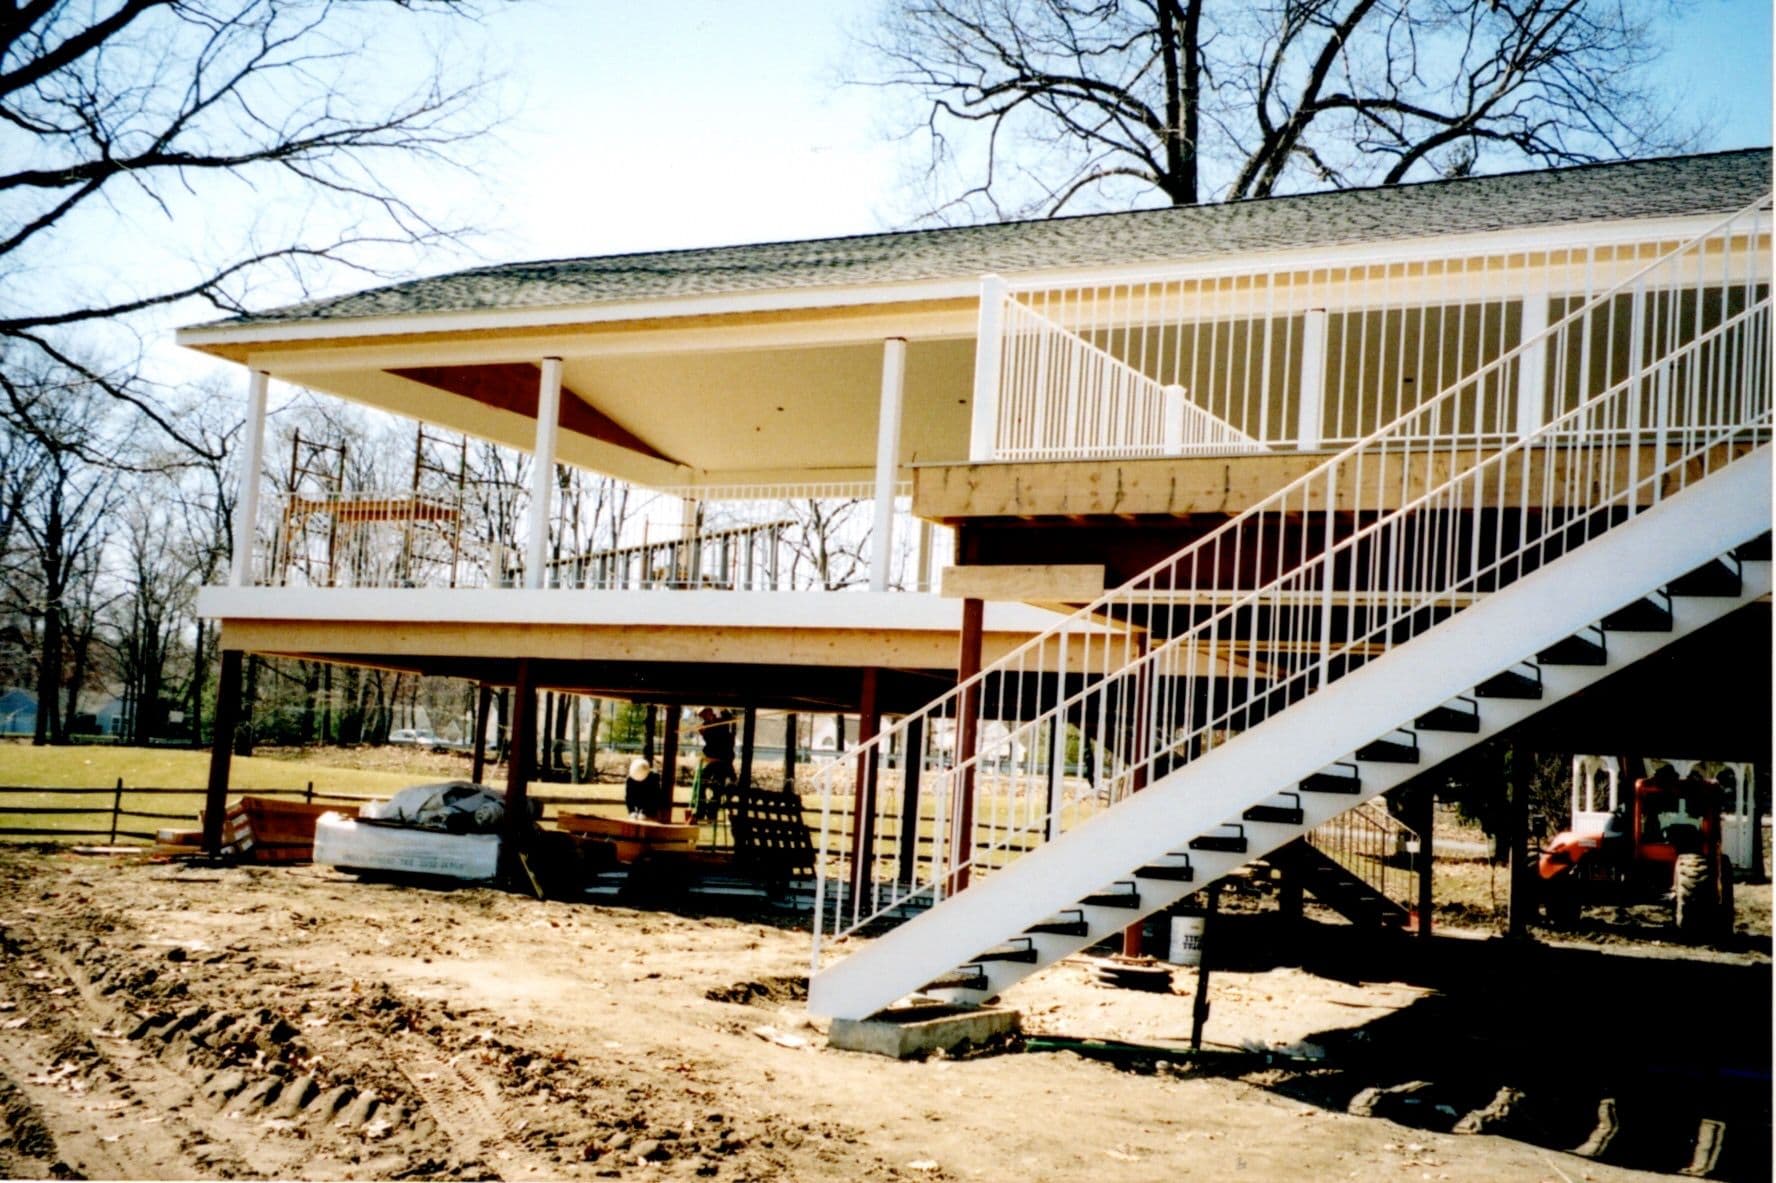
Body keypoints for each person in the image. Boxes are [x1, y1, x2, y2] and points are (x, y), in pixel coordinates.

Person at [695, 708, 737, 821]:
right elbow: (710, 741)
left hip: (723, 761)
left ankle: (711, 812)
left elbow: (728, 715)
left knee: (717, 787)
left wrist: (722, 709)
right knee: (702, 783)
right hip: (713, 761)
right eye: (702, 716)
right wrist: (703, 732)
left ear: (710, 712)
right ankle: (701, 811)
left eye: (704, 714)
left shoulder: (721, 722)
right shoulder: (705, 726)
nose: (703, 717)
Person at [625, 756, 662, 820]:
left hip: (652, 808)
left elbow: (655, 798)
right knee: (634, 819)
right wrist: (632, 812)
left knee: (645, 819)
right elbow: (629, 797)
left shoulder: (654, 779)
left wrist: (645, 811)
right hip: (638, 806)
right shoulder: (630, 780)